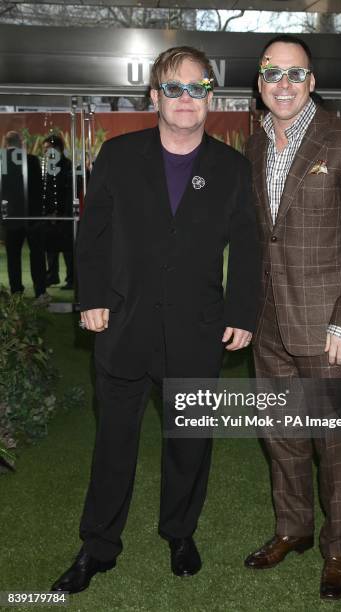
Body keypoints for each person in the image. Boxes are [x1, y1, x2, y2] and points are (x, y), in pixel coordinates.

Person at [51, 46, 260, 594]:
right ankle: (98, 546)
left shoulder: (232, 168)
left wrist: (241, 312)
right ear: (155, 97)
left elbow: (248, 247)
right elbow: (90, 234)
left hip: (196, 331)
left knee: (190, 443)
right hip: (123, 326)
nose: (186, 98)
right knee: (113, 443)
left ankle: (180, 532)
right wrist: (90, 296)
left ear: (210, 96)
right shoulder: (117, 156)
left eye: (197, 88)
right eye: (174, 88)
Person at [243, 34, 341, 601]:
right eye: (272, 73)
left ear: (312, 82)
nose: (283, 84)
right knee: (281, 436)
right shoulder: (254, 146)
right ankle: (293, 530)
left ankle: (339, 546)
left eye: (295, 74)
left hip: (328, 326)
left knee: (336, 443)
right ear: (259, 83)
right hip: (268, 322)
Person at [1, 130, 48, 302]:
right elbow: (39, 188)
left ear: (6, 143)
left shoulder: (1, 161)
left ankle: (16, 292)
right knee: (37, 255)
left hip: (10, 216)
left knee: (13, 257)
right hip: (32, 216)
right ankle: (40, 292)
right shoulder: (31, 160)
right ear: (21, 142)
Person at [42, 135, 74, 290]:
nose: (46, 152)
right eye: (45, 149)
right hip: (50, 214)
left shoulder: (67, 165)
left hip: (65, 214)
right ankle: (52, 275)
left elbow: (67, 192)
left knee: (68, 249)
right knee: (51, 247)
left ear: (58, 149)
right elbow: (47, 191)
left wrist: (61, 212)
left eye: (49, 148)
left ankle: (72, 279)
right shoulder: (47, 167)